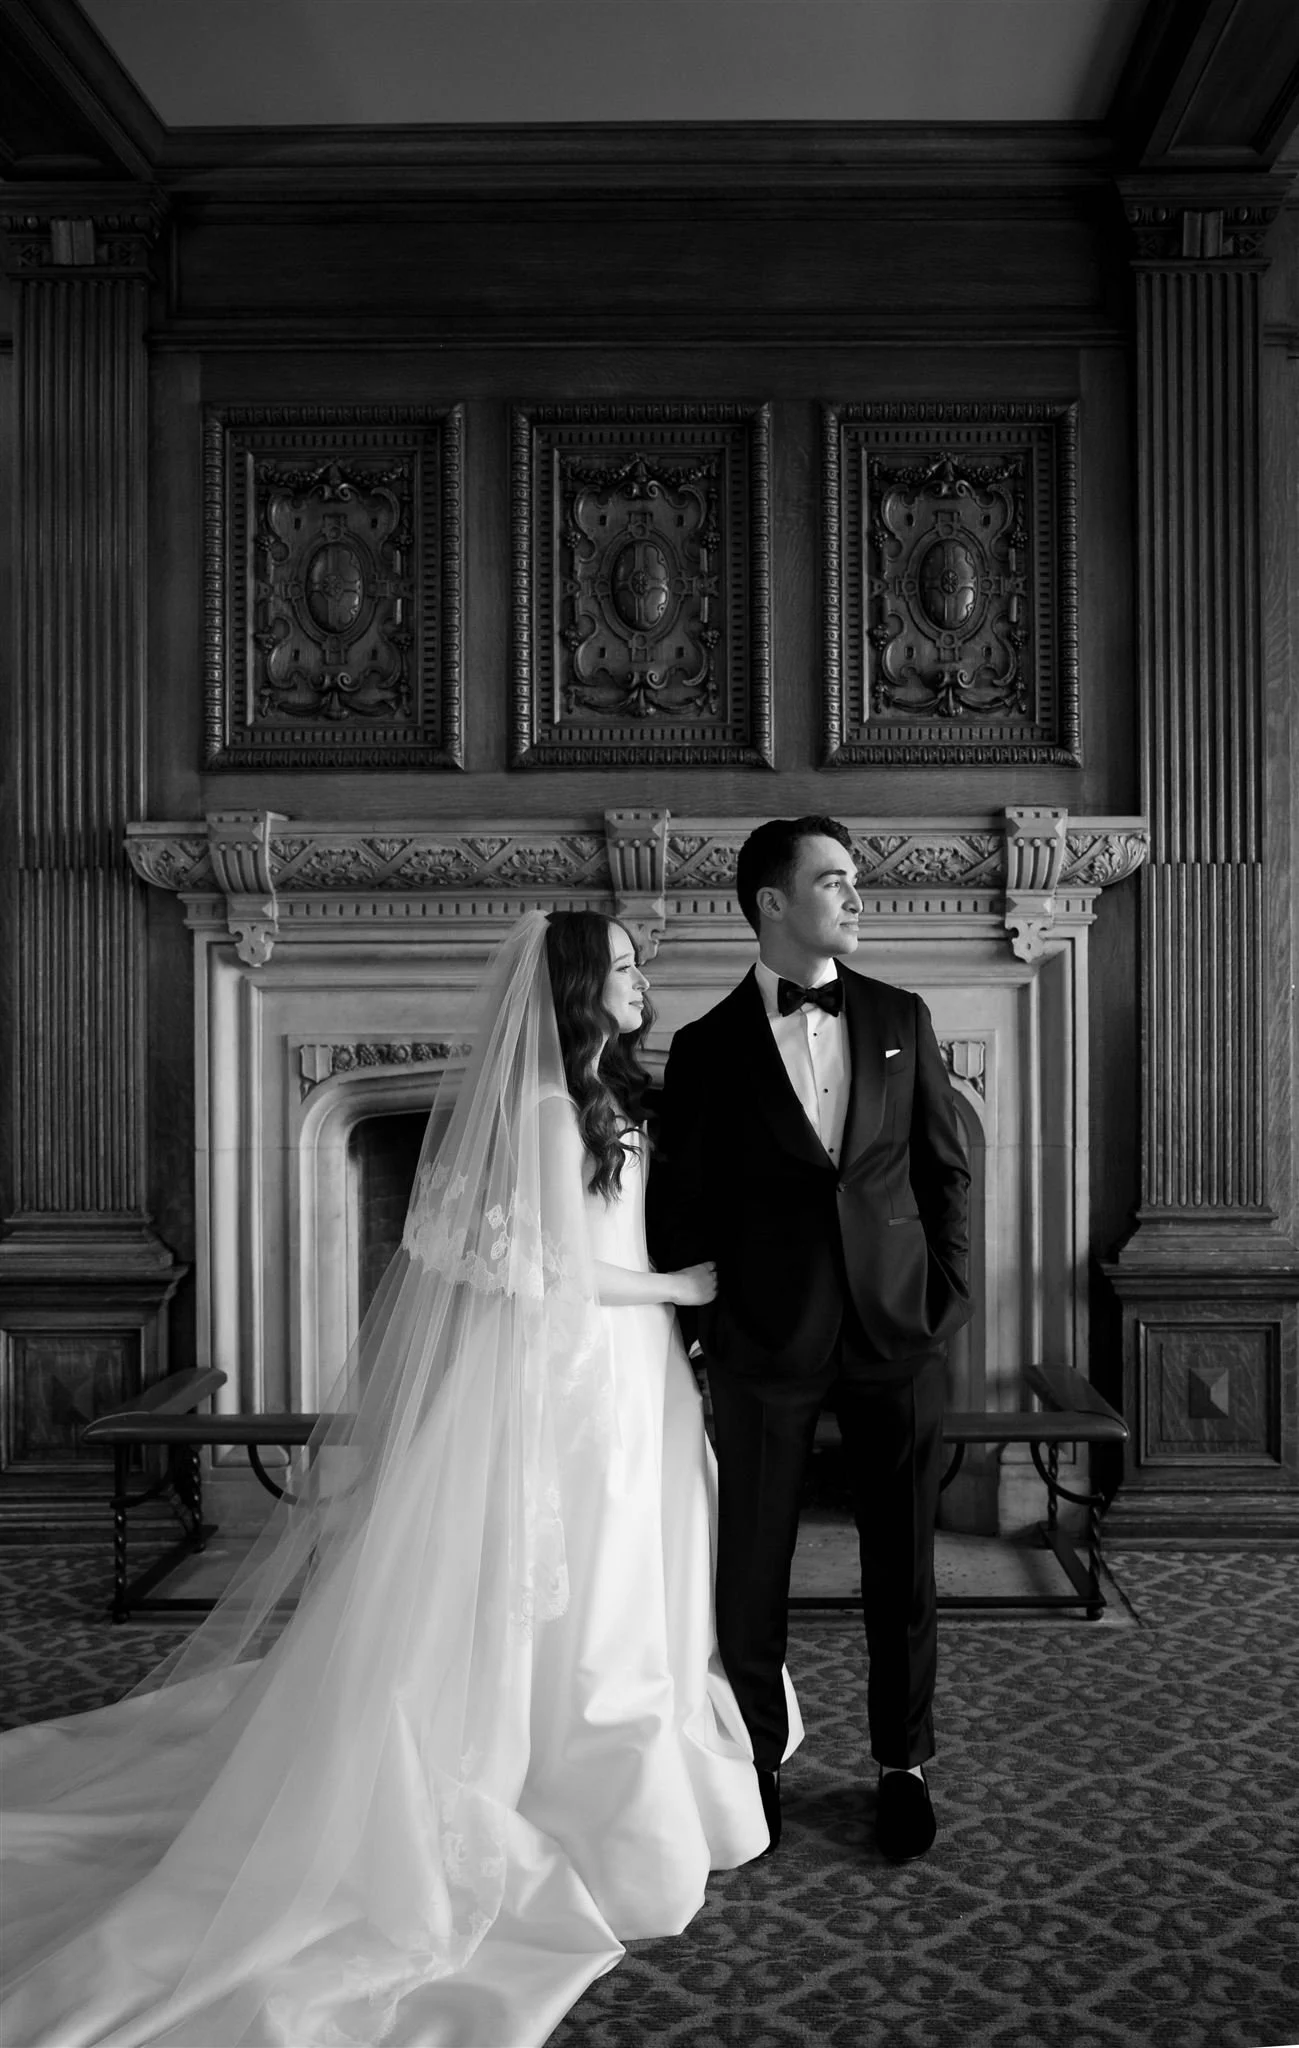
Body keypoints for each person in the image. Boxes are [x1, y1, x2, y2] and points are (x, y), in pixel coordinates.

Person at [0, 910, 797, 2048]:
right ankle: (564, 1787)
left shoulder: (609, 1094)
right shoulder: (534, 1107)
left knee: (644, 1564)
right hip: (579, 1372)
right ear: (574, 985)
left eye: (635, 962)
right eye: (619, 965)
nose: (639, 979)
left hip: (640, 1375)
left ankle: (641, 1766)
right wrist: (682, 1290)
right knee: (585, 1575)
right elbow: (554, 1271)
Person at [648, 816, 972, 1863]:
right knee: (751, 1566)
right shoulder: (703, 1049)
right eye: (833, 880)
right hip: (764, 1342)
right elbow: (678, 1207)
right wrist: (709, 1336)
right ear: (771, 902)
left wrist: (947, 1300)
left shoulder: (900, 1014)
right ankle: (755, 1765)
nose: (856, 896)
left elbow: (943, 1170)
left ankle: (903, 1763)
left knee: (903, 1565)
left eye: (855, 879)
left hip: (896, 1331)